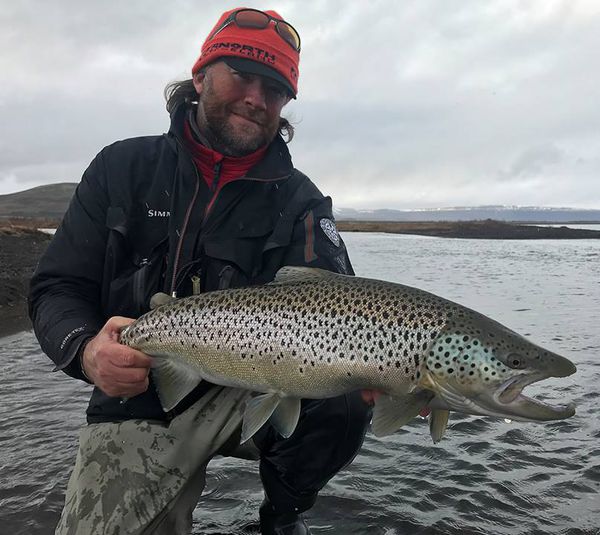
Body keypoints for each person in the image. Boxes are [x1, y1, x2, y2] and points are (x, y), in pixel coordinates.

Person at [28, 7, 372, 535]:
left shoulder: (301, 200)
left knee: (342, 403)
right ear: (200, 75)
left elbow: (338, 303)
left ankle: (281, 516)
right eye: (243, 75)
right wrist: (86, 350)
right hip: (143, 393)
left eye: (275, 90)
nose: (257, 98)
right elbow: (57, 287)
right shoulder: (121, 169)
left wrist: (389, 372)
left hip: (257, 386)